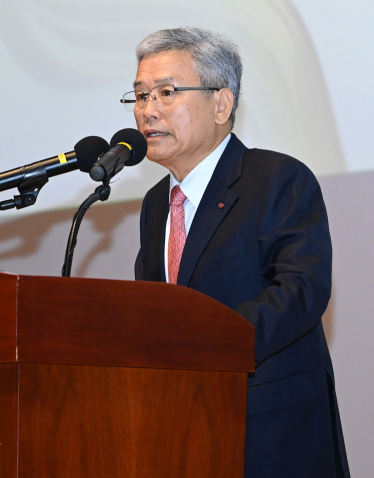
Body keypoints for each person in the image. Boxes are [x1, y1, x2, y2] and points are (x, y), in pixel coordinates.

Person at [128, 27, 349, 478]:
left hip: (271, 432)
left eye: (166, 93)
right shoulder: (156, 205)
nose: (147, 110)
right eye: (139, 95)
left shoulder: (276, 179)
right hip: (183, 431)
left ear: (221, 104)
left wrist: (207, 344)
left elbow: (301, 290)